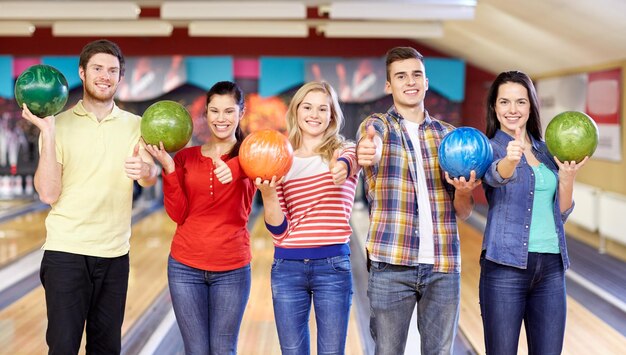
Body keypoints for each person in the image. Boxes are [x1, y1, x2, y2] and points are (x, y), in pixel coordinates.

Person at [20, 39, 158, 354]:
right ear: (82, 73)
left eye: (112, 70)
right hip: (65, 252)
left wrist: (146, 172)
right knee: (63, 346)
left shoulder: (136, 126)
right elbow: (47, 193)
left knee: (107, 348)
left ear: (121, 78)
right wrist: (49, 133)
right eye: (97, 68)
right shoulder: (58, 124)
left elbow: (150, 179)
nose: (105, 76)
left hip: (114, 254)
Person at [356, 46, 481, 355]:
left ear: (426, 82)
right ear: (389, 86)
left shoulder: (449, 137)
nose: (410, 82)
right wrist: (368, 150)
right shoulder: (378, 127)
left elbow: (462, 212)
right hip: (391, 264)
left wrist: (464, 191)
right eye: (400, 76)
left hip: (442, 264)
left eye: (416, 75)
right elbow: (371, 143)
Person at [480, 70, 588, 354]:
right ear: (494, 106)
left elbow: (561, 213)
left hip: (551, 268)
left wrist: (567, 177)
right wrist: (510, 161)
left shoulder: (545, 150)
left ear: (531, 106)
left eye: (520, 102)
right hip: (505, 267)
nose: (512, 110)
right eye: (504, 102)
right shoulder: (488, 148)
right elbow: (493, 178)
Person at [144, 81, 256, 355]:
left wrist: (236, 167)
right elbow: (178, 214)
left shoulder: (251, 155)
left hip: (232, 268)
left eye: (229, 111)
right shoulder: (186, 158)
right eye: (214, 111)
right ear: (205, 114)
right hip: (185, 267)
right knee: (195, 350)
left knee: (222, 349)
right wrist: (169, 169)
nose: (221, 119)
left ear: (241, 112)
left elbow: (267, 157)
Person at [255, 81, 359, 355]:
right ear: (296, 111)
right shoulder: (281, 160)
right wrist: (267, 194)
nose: (314, 114)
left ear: (332, 115)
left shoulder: (345, 151)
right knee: (292, 351)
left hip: (333, 266)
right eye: (308, 107)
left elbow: (350, 162)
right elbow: (279, 231)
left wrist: (341, 169)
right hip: (287, 267)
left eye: (323, 108)